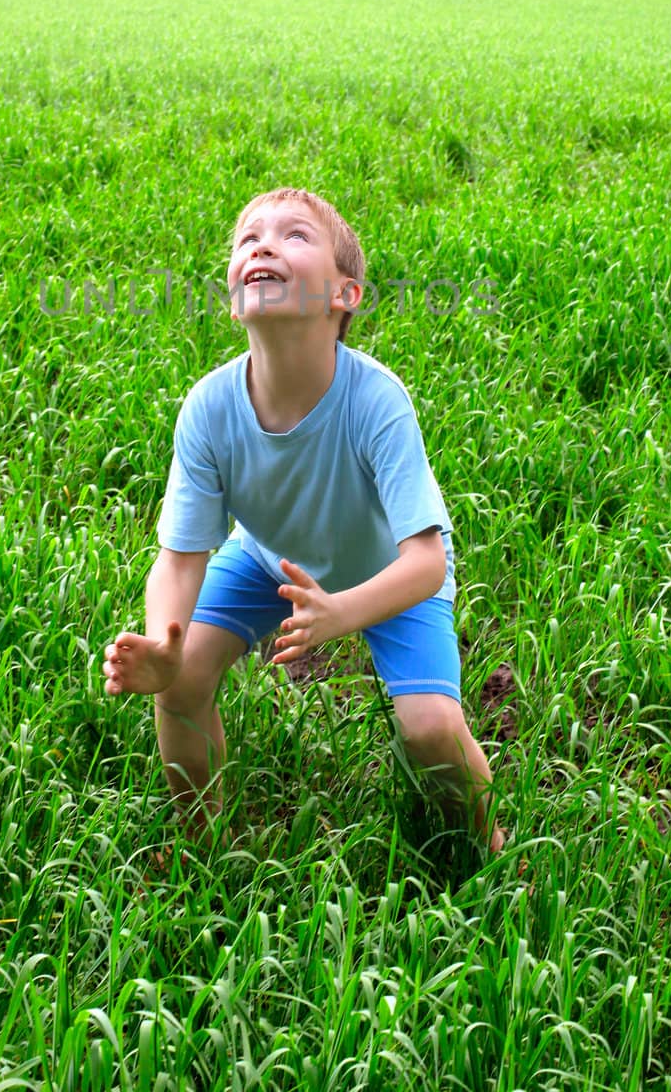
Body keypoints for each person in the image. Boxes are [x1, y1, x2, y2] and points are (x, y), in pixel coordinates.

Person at [102, 186, 506, 857]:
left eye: (293, 235)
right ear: (234, 295)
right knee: (182, 686)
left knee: (430, 728)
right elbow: (179, 558)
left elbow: (426, 562)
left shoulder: (375, 400)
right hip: (269, 559)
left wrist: (344, 612)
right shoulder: (209, 408)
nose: (260, 243)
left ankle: (487, 850)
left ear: (344, 295)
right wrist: (164, 644)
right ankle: (202, 848)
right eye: (247, 238)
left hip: (388, 579)